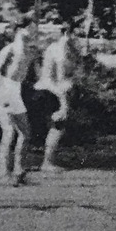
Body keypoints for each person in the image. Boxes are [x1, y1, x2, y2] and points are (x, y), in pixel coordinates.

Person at [0, 0, 42, 186]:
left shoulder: (30, 41)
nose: (34, 33)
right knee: (9, 132)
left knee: (26, 134)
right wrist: (1, 96)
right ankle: (3, 173)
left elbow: (33, 16)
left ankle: (19, 171)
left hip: (15, 89)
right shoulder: (11, 47)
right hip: (3, 89)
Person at [34, 26, 80, 172]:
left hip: (44, 89)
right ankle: (47, 163)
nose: (76, 39)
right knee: (57, 127)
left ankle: (48, 160)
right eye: (75, 35)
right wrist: (64, 103)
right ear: (67, 33)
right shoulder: (60, 49)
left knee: (54, 127)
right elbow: (60, 78)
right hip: (52, 91)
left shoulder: (53, 47)